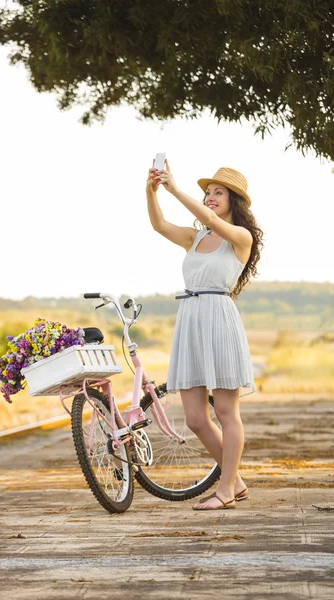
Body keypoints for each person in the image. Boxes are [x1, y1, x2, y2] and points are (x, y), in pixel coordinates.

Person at [146, 160, 264, 511]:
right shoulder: (196, 237)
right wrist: (150, 191)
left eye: (218, 193)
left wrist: (175, 189)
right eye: (207, 193)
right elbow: (159, 225)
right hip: (191, 318)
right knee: (196, 418)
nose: (210, 198)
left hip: (218, 318)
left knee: (227, 411)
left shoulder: (241, 238)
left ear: (234, 201)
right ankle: (236, 482)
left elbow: (212, 220)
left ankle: (226, 489)